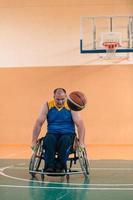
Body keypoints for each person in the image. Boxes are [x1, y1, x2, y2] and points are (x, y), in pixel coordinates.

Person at [31, 88, 85, 173]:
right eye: (58, 99)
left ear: (66, 97)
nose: (60, 102)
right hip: (52, 133)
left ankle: (61, 166)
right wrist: (33, 141)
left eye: (63, 99)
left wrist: (81, 142)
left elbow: (80, 124)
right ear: (54, 97)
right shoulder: (48, 105)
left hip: (68, 134)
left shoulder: (71, 106)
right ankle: (49, 166)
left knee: (65, 140)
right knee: (49, 139)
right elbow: (39, 123)